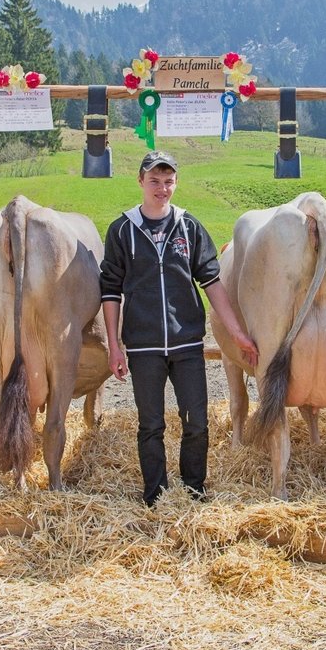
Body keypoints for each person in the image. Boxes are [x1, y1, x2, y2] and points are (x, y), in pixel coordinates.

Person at [100, 150, 258, 506]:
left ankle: (193, 489)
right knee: (151, 425)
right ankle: (155, 495)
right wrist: (114, 345)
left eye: (168, 181)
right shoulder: (122, 230)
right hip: (143, 346)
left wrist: (236, 332)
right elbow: (110, 291)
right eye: (154, 180)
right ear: (140, 181)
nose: (162, 188)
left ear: (176, 183)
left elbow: (212, 284)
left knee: (197, 422)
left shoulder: (188, 226)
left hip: (186, 344)